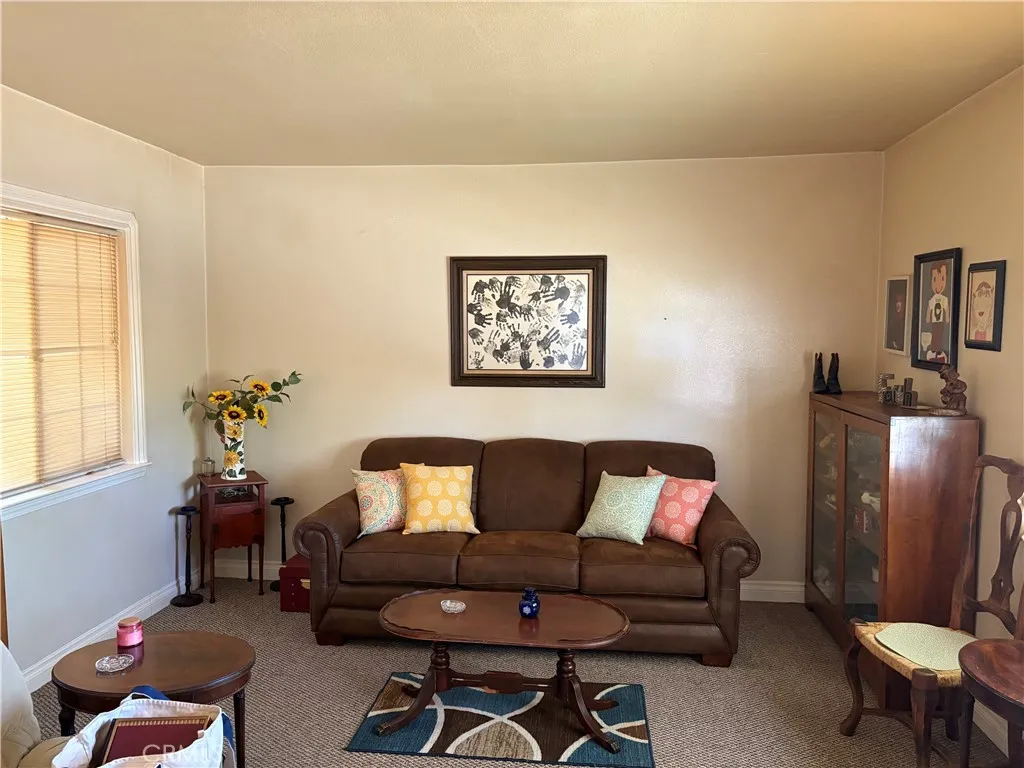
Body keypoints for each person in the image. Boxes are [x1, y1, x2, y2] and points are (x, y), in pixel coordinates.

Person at [924, 262, 949, 361]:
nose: (938, 284)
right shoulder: (933, 299)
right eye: (935, 279)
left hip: (940, 321)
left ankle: (939, 350)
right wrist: (928, 317)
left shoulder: (944, 299)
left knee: (940, 334)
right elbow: (929, 308)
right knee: (934, 334)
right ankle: (934, 349)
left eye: (942, 279)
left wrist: (947, 317)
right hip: (934, 321)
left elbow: (946, 308)